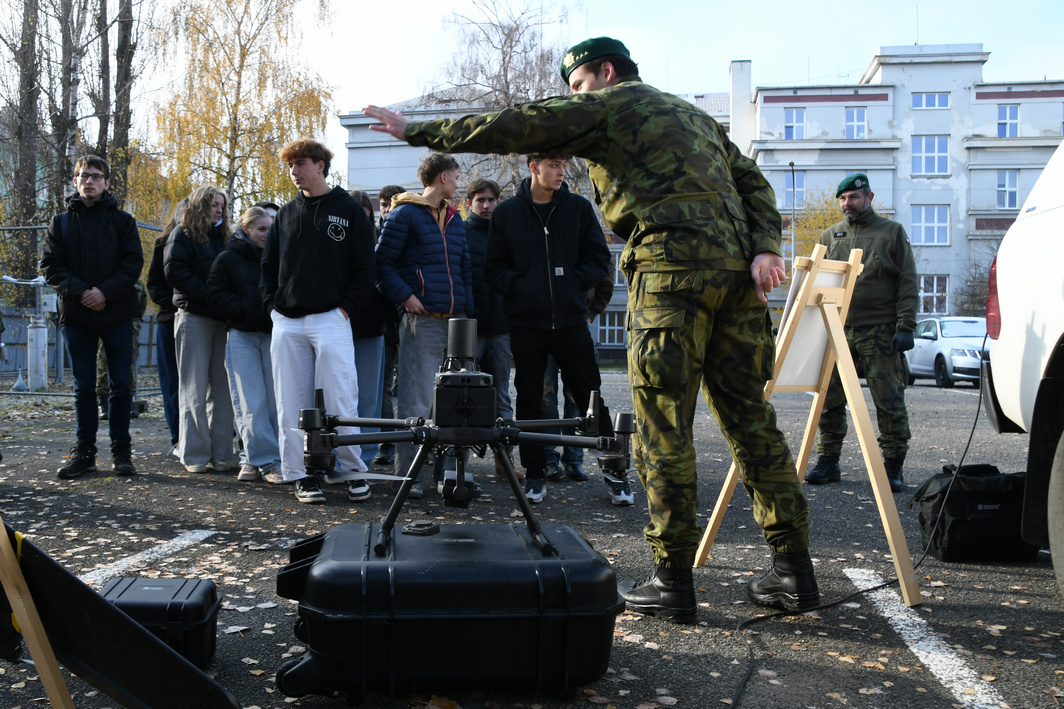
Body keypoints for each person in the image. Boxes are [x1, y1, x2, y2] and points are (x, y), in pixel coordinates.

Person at [363, 36, 819, 622]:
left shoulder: (611, 105)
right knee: (752, 422)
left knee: (663, 429)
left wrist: (421, 132)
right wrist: (763, 248)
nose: (574, 98)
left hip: (671, 276)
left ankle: (673, 579)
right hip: (737, 280)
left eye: (577, 85)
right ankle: (794, 571)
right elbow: (753, 182)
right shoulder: (693, 116)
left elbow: (523, 124)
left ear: (605, 73)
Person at [486, 153, 616, 504]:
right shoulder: (507, 213)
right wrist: (523, 286)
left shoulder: (577, 208)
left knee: (591, 395)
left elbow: (599, 258)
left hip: (571, 320)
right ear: (534, 168)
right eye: (554, 165)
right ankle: (536, 472)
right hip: (527, 323)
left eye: (563, 165)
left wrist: (572, 283)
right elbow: (494, 268)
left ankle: (615, 471)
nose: (561, 172)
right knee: (530, 399)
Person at [260, 139, 376, 504]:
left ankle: (352, 470)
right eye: (290, 165)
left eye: (301, 164)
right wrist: (272, 309)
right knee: (291, 401)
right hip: (288, 322)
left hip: (331, 317)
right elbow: (267, 268)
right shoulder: (284, 213)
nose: (295, 172)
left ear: (321, 165)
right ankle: (299, 474)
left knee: (342, 398)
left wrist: (345, 309)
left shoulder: (349, 210)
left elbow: (365, 268)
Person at [805, 173, 918, 493]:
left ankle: (893, 465)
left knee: (889, 401)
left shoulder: (891, 232)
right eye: (842, 199)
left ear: (869, 197)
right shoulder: (830, 236)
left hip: (880, 331)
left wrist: (905, 326)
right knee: (830, 399)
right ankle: (828, 462)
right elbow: (816, 285)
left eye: (853, 197)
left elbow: (907, 281)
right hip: (838, 330)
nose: (847, 204)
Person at [375, 153, 472, 498]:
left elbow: (464, 270)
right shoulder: (404, 215)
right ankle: (408, 479)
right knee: (415, 403)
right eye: (457, 177)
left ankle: (449, 475)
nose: (459, 183)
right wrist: (405, 296)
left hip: (456, 324)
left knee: (454, 404)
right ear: (443, 177)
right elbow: (382, 264)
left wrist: (467, 314)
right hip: (422, 321)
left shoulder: (455, 218)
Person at [40, 154, 144, 478]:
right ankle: (84, 452)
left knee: (120, 387)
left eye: (96, 176)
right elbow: (50, 266)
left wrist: (104, 293)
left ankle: (121, 452)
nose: (90, 181)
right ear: (75, 181)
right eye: (84, 176)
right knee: (83, 388)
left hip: (116, 314)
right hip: (76, 315)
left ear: (107, 182)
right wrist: (84, 292)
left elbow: (132, 264)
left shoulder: (123, 222)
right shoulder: (61, 223)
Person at [206, 205, 281, 483]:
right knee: (250, 401)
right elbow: (214, 294)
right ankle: (263, 460)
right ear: (246, 229)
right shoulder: (227, 259)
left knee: (275, 401)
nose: (266, 234)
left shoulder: (279, 258)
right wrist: (244, 310)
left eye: (270, 230)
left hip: (274, 336)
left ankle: (256, 459)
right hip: (242, 336)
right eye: (261, 229)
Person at [164, 185, 235, 474]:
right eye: (213, 204)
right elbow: (174, 271)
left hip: (223, 320)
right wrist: (211, 295)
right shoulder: (182, 234)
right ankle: (194, 454)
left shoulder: (228, 237)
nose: (218, 209)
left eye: (221, 205)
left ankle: (222, 454)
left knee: (222, 389)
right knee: (192, 386)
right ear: (200, 205)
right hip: (194, 316)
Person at [463, 178, 515, 477]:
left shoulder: (506, 233)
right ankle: (459, 465)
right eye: (480, 200)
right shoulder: (461, 232)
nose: (486, 205)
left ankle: (504, 463)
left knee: (501, 396)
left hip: (499, 327)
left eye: (491, 200)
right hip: (468, 328)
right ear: (470, 202)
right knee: (462, 397)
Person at [543, 268, 615, 485]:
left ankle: (573, 459)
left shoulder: (588, 237)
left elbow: (605, 275)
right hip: (544, 322)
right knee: (546, 395)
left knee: (578, 395)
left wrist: (592, 310)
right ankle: (549, 458)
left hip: (577, 321)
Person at [345, 190, 387, 471]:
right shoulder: (334, 244)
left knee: (369, 397)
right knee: (340, 394)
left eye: (366, 214)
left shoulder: (379, 244)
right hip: (339, 325)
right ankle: (341, 454)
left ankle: (365, 459)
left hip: (371, 327)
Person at [146, 199, 187, 450]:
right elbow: (154, 285)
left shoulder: (212, 243)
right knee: (172, 383)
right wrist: (176, 304)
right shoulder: (163, 243)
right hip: (169, 320)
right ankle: (177, 437)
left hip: (204, 322)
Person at [372, 184, 407, 468]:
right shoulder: (370, 235)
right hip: (381, 323)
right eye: (383, 204)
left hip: (409, 318)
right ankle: (387, 442)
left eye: (391, 203)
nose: (387, 209)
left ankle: (418, 442)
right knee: (382, 386)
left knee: (412, 386)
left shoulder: (411, 231)